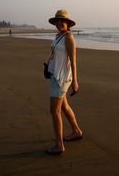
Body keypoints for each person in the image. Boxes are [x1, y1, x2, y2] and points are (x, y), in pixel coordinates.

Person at [46, 10, 82, 156]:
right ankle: (76, 131)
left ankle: (59, 145)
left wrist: (75, 81)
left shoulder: (69, 38)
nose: (59, 23)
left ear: (67, 23)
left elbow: (73, 60)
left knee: (54, 111)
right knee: (64, 106)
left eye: (63, 21)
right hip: (56, 76)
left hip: (62, 79)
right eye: (57, 21)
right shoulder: (58, 36)